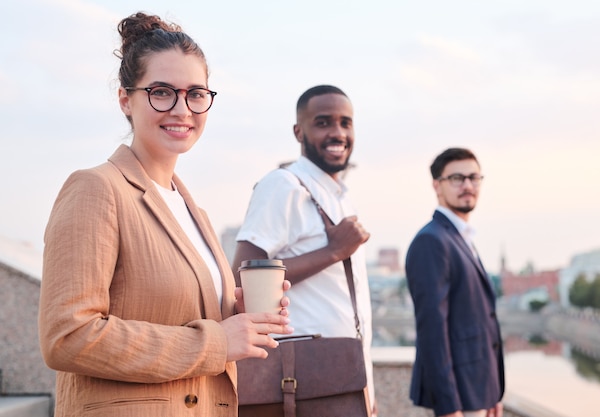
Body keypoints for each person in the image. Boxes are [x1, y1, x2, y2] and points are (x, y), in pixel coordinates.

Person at [38, 12, 292, 417]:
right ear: (126, 99)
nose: (181, 109)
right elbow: (67, 334)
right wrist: (216, 342)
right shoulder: (96, 188)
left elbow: (174, 313)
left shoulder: (194, 213)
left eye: (195, 93)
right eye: (161, 92)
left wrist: (235, 315)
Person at [231, 84, 377, 415]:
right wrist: (333, 252)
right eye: (323, 122)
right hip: (299, 382)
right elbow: (242, 279)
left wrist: (366, 389)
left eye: (345, 122)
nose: (337, 133)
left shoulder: (338, 194)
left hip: (343, 378)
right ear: (299, 131)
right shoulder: (283, 185)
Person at [405, 148, 505, 417]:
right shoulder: (432, 241)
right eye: (457, 178)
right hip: (456, 401)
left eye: (474, 177)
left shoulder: (461, 237)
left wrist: (492, 391)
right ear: (437, 185)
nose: (468, 185)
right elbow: (433, 332)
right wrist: (448, 407)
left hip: (476, 392)